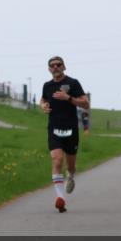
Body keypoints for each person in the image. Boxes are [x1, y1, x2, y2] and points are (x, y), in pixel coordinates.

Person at [40, 56, 88, 213]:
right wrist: (44, 106)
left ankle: (71, 176)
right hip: (54, 129)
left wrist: (68, 98)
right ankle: (60, 199)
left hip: (71, 129)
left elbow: (86, 104)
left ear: (64, 67)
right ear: (49, 69)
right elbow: (43, 100)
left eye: (58, 65)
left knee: (71, 165)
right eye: (52, 65)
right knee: (57, 159)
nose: (55, 67)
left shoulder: (73, 83)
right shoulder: (47, 86)